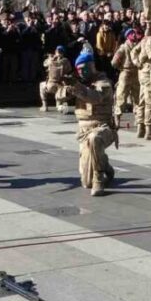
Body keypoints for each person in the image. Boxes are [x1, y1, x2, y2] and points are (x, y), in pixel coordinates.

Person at [66, 52, 117, 196]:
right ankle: (105, 165)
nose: (81, 71)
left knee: (95, 139)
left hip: (103, 127)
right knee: (86, 183)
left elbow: (95, 97)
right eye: (78, 69)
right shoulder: (78, 82)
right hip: (83, 130)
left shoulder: (104, 82)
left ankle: (99, 177)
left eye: (84, 67)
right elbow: (59, 96)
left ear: (92, 65)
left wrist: (76, 87)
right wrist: (64, 87)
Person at [111, 29, 142, 130]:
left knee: (137, 98)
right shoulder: (123, 47)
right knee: (121, 98)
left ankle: (139, 120)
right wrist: (121, 68)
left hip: (136, 73)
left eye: (134, 33)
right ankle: (117, 120)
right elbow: (114, 62)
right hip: (126, 73)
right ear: (127, 36)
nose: (134, 35)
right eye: (131, 33)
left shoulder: (138, 46)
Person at [39, 46, 72, 113]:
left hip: (51, 85)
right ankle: (59, 105)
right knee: (59, 98)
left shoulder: (51, 60)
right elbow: (69, 70)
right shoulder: (66, 61)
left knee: (41, 85)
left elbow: (44, 64)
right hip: (62, 85)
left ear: (56, 51)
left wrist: (51, 58)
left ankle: (45, 106)